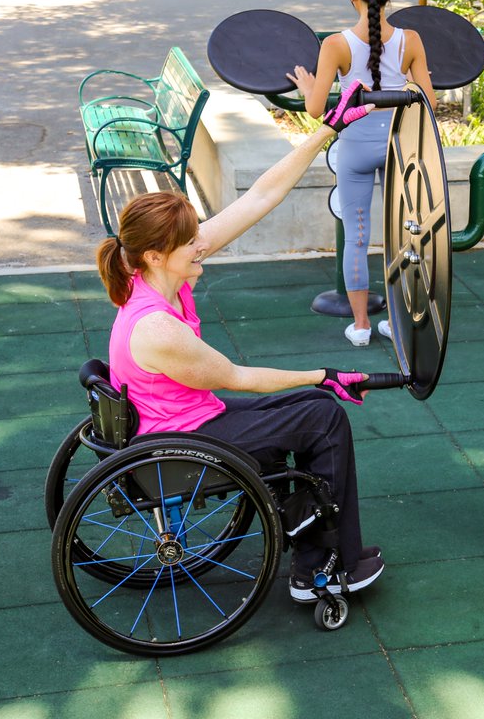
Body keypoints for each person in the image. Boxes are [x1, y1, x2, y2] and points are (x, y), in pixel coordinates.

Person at [94, 82, 387, 603]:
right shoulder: (157, 328)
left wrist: (326, 130)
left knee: (306, 408)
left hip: (183, 418)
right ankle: (324, 567)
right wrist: (326, 375)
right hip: (180, 447)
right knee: (322, 414)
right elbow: (237, 378)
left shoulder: (159, 277)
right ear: (157, 255)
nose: (201, 247)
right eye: (190, 245)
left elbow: (261, 196)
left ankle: (305, 532)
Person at [289, 0, 437, 347]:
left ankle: (360, 327)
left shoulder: (335, 45)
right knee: (403, 236)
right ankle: (395, 320)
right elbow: (429, 103)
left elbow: (317, 109)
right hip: (398, 148)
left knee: (356, 237)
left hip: (355, 149)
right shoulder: (412, 41)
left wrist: (308, 87)